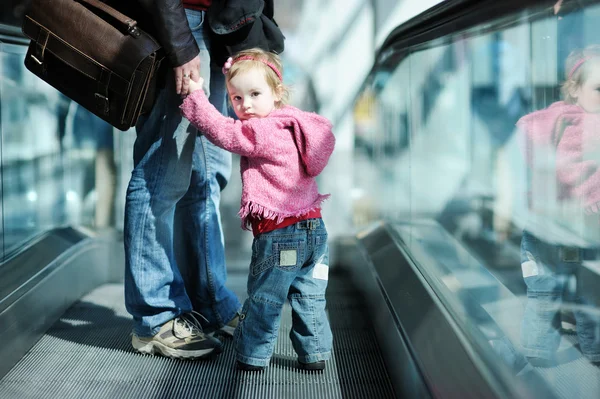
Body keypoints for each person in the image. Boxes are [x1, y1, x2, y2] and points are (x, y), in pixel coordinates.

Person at [180, 48, 336, 371]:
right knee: (309, 298)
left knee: (265, 298)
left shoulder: (264, 130)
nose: (245, 105)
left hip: (281, 237)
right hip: (315, 232)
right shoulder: (294, 124)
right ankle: (316, 353)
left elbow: (225, 133)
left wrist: (196, 98)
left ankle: (253, 356)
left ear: (276, 93)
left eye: (254, 94)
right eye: (236, 98)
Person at [124, 0, 242, 360]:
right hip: (178, 23)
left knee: (207, 175)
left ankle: (208, 303)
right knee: (161, 175)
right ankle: (155, 317)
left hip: (220, 28)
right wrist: (178, 41)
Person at [515, 45, 600, 365]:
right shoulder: (559, 119)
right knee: (545, 295)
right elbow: (529, 133)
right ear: (575, 90)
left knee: (587, 295)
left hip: (581, 229)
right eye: (599, 89)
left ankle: (591, 351)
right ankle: (538, 352)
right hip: (551, 228)